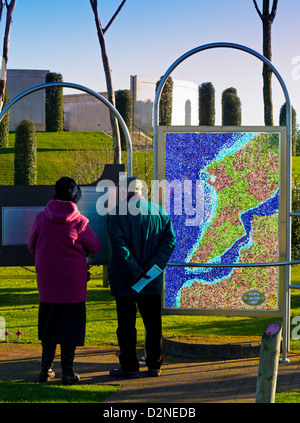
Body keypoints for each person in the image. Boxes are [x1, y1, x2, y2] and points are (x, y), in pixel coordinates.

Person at [28, 177, 101, 385]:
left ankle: (45, 370)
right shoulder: (80, 221)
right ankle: (68, 373)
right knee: (70, 326)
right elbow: (95, 246)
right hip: (73, 284)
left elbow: (31, 245)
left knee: (49, 325)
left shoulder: (42, 217)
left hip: (48, 282)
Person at [107, 176, 176, 379]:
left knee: (126, 326)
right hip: (151, 280)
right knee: (153, 325)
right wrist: (152, 270)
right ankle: (155, 365)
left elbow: (119, 248)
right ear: (141, 191)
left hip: (125, 280)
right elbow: (169, 242)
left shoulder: (115, 214)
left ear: (122, 192)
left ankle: (129, 366)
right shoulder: (159, 212)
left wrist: (136, 273)